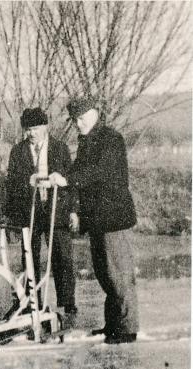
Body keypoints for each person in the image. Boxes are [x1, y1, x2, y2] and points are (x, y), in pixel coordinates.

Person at [48, 96, 139, 344]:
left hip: (114, 219)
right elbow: (79, 171)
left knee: (119, 275)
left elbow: (100, 171)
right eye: (75, 119)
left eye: (81, 117)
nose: (78, 123)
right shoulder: (87, 140)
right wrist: (62, 178)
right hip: (98, 219)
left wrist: (68, 180)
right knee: (104, 274)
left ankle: (127, 329)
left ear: (95, 113)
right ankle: (113, 324)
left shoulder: (110, 139)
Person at [4, 107, 79, 322]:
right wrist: (26, 183)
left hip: (57, 209)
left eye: (35, 128)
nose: (32, 133)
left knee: (62, 257)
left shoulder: (60, 148)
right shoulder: (17, 152)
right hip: (31, 211)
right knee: (30, 257)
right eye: (28, 129)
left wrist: (74, 210)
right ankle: (31, 302)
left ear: (45, 127)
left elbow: (71, 182)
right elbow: (12, 184)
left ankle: (68, 304)